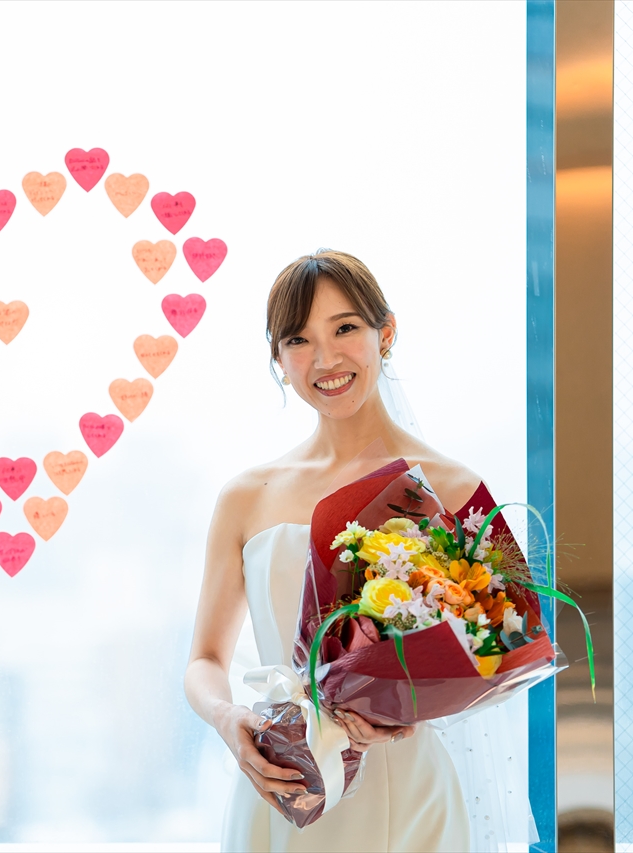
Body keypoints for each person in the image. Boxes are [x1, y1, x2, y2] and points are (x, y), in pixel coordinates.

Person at [184, 250, 476, 851]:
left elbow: (494, 648)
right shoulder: (246, 496)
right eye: (298, 339)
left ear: (385, 333)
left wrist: (403, 709)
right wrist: (228, 719)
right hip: (284, 778)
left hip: (408, 792)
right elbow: (204, 660)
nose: (324, 359)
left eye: (344, 328)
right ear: (278, 358)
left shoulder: (452, 488)